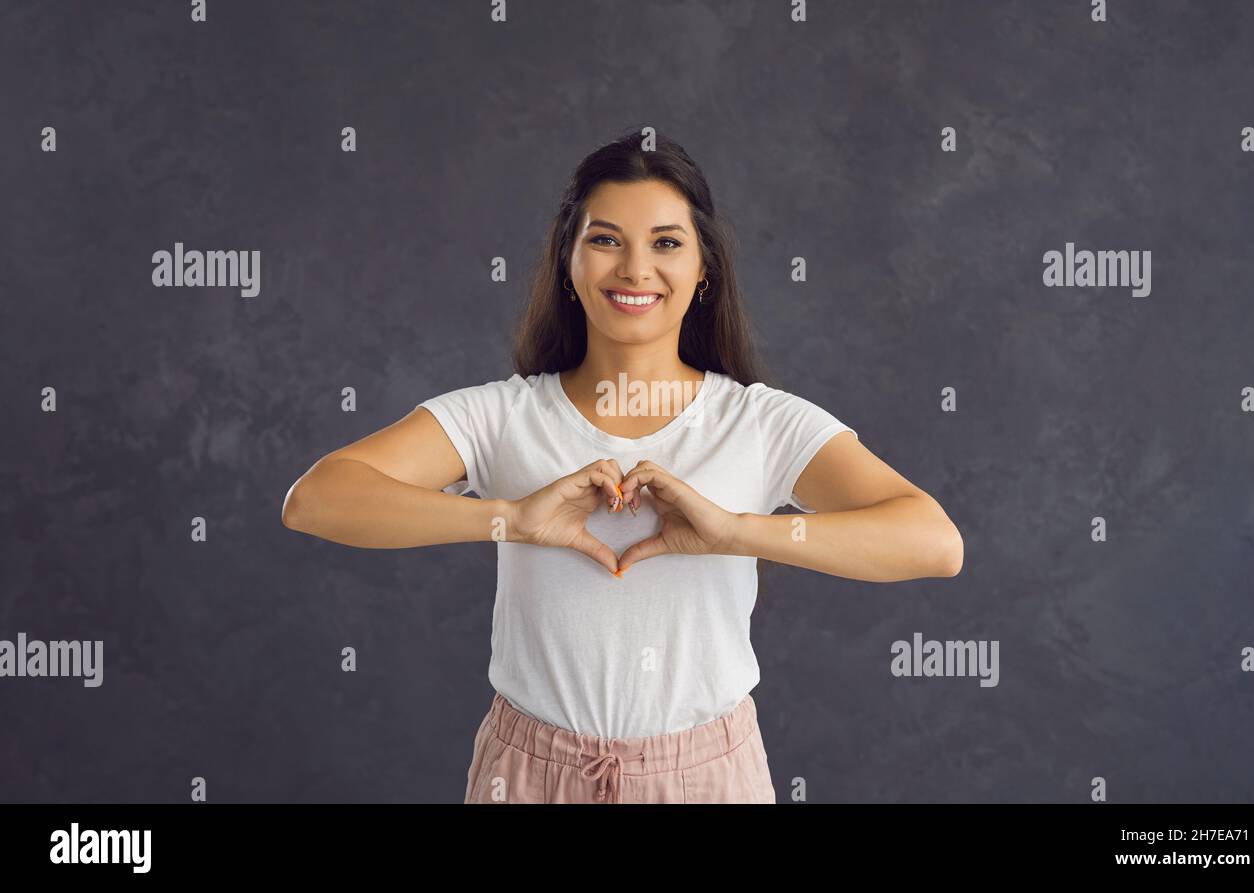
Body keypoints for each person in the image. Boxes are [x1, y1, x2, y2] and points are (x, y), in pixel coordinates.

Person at [281, 129, 963, 803]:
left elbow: (934, 542)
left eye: (666, 243)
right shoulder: (502, 416)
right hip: (525, 776)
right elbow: (316, 499)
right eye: (606, 239)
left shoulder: (759, 421)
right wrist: (511, 518)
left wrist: (733, 531)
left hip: (708, 779)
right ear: (568, 263)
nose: (635, 269)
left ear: (703, 270)